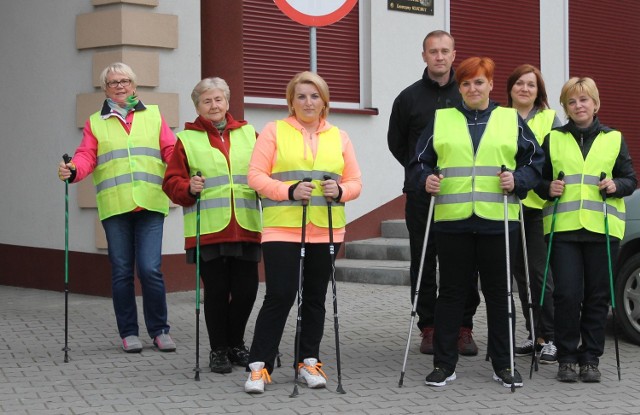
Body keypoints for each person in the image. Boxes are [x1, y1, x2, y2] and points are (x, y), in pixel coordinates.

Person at [413, 57, 544, 388]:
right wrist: (425, 178)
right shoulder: (442, 120)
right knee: (452, 294)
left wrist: (519, 179)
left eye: (479, 82)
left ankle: (503, 364)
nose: (473, 88)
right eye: (466, 83)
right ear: (460, 88)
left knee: (499, 294)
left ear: (490, 84)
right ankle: (444, 364)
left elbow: (535, 161)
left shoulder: (509, 119)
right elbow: (418, 162)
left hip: (498, 220)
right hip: (452, 220)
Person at [243, 71, 362, 394]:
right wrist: (289, 190)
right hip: (282, 229)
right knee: (280, 296)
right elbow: (255, 176)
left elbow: (355, 183)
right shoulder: (274, 131)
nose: (308, 102)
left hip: (326, 231)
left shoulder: (340, 136)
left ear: (324, 101)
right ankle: (259, 366)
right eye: (301, 96)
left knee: (314, 299)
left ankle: (308, 361)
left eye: (314, 96)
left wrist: (339, 190)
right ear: (291, 101)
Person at [57, 62, 176, 353]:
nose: (120, 86)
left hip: (150, 202)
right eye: (113, 83)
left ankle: (160, 330)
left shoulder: (154, 116)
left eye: (125, 81)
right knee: (122, 271)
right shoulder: (95, 122)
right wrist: (73, 170)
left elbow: (170, 149)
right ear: (104, 89)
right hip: (115, 206)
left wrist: (185, 167)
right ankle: (128, 332)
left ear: (135, 86)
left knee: (150, 269)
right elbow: (86, 156)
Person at [535, 77, 636, 383]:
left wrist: (616, 185)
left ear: (595, 104)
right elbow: (537, 181)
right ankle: (566, 357)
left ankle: (590, 357)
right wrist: (546, 187)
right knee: (566, 294)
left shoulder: (614, 138)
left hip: (602, 230)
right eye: (572, 101)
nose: (578, 106)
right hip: (563, 230)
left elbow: (630, 179)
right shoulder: (553, 139)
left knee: (597, 296)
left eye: (584, 100)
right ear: (565, 107)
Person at [387, 30, 480, 356]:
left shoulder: (467, 94)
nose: (439, 57)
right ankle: (429, 327)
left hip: (463, 195)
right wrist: (422, 174)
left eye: (445, 51)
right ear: (424, 56)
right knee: (424, 262)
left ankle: (463, 328)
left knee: (465, 263)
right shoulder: (408, 98)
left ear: (454, 54)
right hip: (421, 196)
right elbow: (398, 145)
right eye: (433, 51)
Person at [162, 77, 261, 373]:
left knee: (246, 291)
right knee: (217, 292)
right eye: (207, 101)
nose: (214, 105)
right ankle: (219, 349)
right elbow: (170, 183)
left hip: (245, 227)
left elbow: (265, 173)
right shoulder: (186, 139)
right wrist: (189, 187)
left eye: (218, 99)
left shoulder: (249, 134)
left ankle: (236, 344)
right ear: (198, 107)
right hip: (208, 230)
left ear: (227, 102)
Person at [506, 64, 563, 364]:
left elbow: (553, 163)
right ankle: (534, 335)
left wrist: (546, 186)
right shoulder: (501, 118)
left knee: (540, 276)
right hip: (509, 208)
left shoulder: (551, 120)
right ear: (511, 88)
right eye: (519, 84)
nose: (525, 89)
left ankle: (550, 337)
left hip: (537, 209)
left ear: (539, 91)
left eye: (531, 85)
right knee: (521, 276)